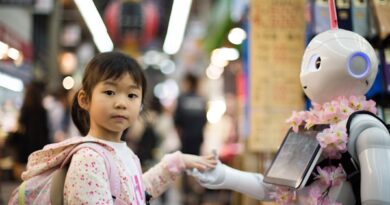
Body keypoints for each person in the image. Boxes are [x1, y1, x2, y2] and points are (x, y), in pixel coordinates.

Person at [17, 51, 216, 204]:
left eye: (131, 95)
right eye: (110, 92)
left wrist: (177, 162)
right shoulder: (89, 159)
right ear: (85, 100)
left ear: (140, 105)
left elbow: (134, 192)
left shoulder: (124, 153)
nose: (121, 103)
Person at [5, 81, 50, 180]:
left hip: (26, 144)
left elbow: (21, 126)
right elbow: (46, 129)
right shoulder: (42, 110)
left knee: (26, 169)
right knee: (38, 171)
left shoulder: (25, 109)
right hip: (40, 143)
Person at [174, 73, 208, 204]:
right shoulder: (201, 99)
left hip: (186, 139)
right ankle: (198, 192)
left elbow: (177, 122)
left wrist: (180, 136)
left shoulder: (182, 99)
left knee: (185, 165)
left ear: (188, 83)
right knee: (197, 165)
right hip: (198, 139)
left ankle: (187, 194)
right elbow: (205, 121)